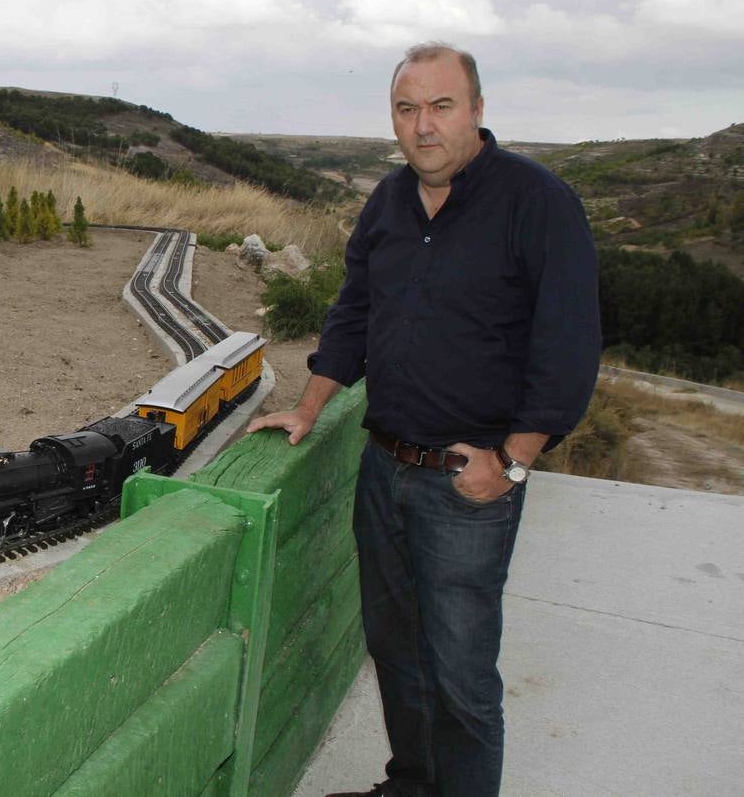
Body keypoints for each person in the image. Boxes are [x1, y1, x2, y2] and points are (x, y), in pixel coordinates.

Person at [247, 42, 600, 797]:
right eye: (407, 109)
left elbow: (567, 347)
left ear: (476, 109)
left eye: (442, 106)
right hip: (385, 469)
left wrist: (511, 464)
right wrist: (308, 408)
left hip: (466, 487)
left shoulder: (536, 202)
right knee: (397, 654)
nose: (424, 126)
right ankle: (411, 786)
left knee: (462, 678)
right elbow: (355, 315)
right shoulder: (388, 203)